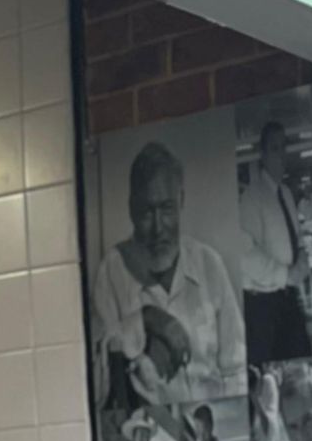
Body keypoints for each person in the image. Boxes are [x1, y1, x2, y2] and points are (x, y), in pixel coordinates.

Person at [91, 141, 245, 419]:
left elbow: (236, 368)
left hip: (214, 414)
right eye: (147, 212)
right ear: (131, 209)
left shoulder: (210, 264)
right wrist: (145, 318)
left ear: (182, 200)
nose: (158, 227)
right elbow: (98, 389)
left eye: (167, 208)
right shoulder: (111, 272)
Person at [239, 118, 312, 364]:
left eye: (284, 147)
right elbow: (246, 256)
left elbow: (297, 236)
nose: (281, 155)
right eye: (274, 149)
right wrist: (286, 275)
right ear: (262, 154)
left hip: (287, 297)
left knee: (302, 356)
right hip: (263, 306)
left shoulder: (287, 193)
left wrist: (302, 255)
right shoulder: (251, 198)